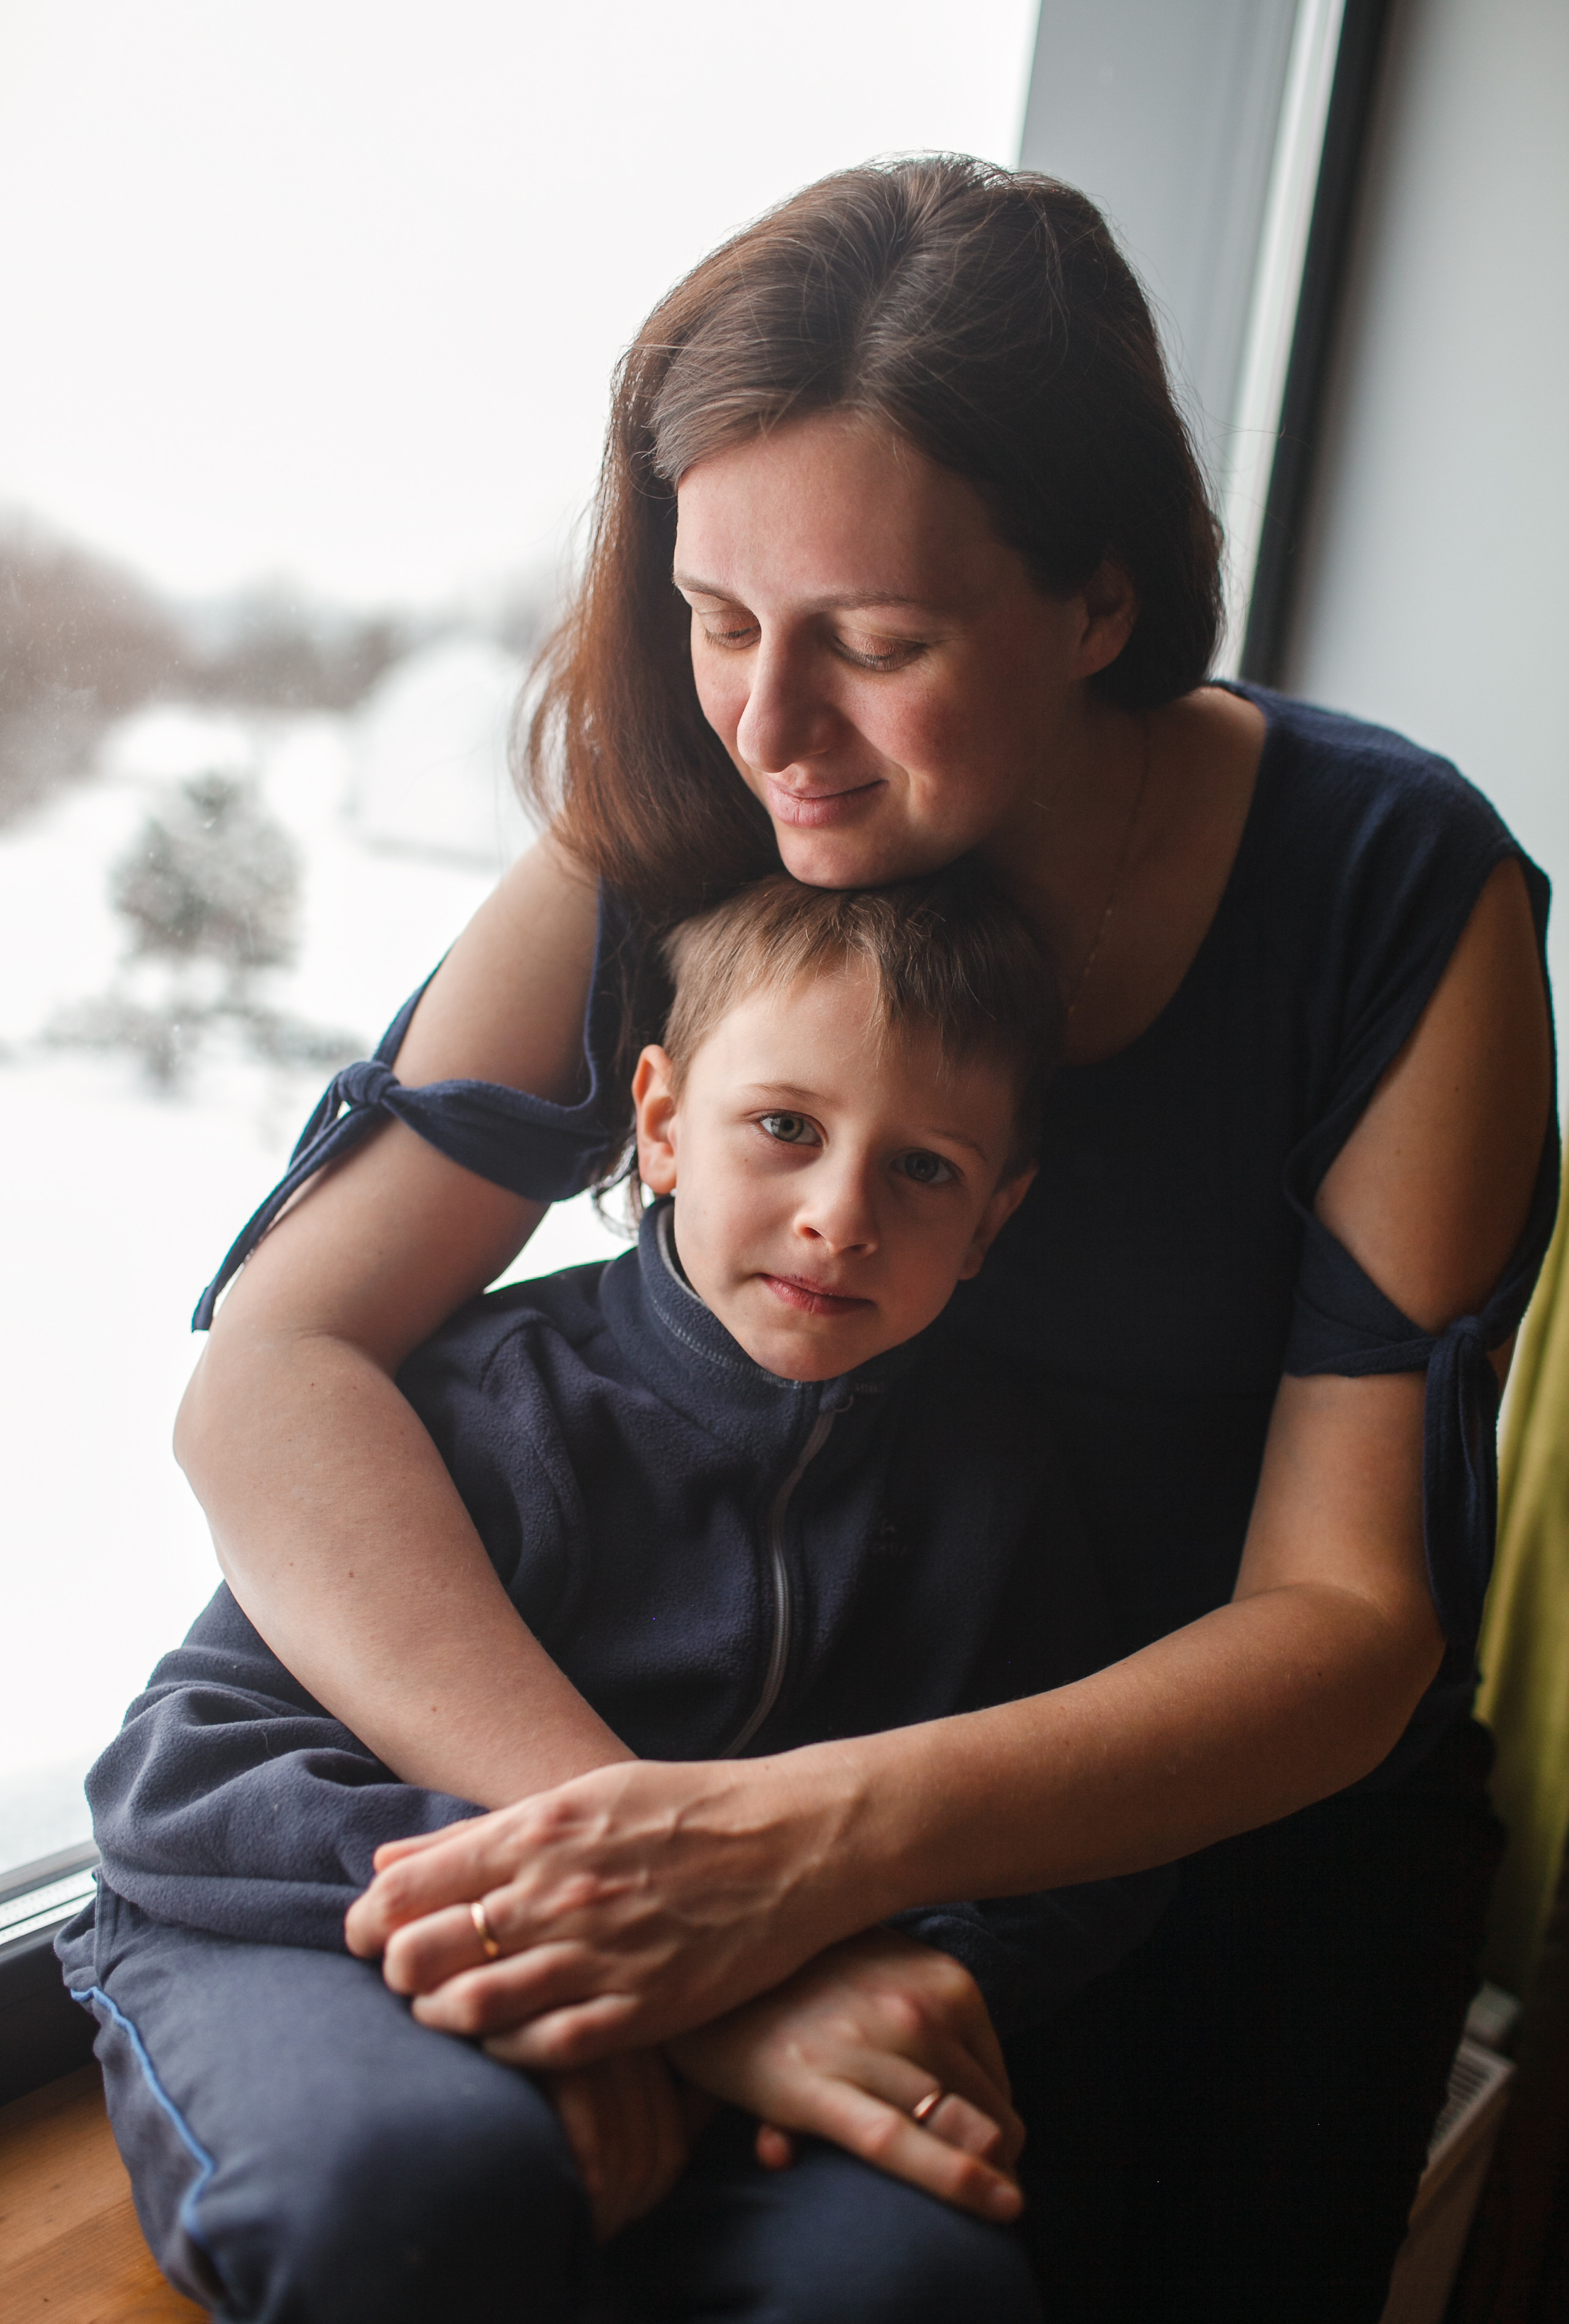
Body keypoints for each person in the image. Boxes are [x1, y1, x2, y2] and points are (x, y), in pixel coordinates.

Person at [152, 157, 1554, 2320]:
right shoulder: (685, 826)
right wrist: (665, 1891)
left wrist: (808, 1862)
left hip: (1227, 1864)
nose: (768, 728)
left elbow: (1350, 1622)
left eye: (874, 645)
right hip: (726, 1802)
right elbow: (278, 1366)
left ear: (1099, 598)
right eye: (718, 620)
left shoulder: (1401, 894)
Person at [63, 868, 1171, 2323]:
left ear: (993, 1216)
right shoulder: (483, 1400)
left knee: (913, 2287)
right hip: (316, 1926)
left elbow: (1063, 1859)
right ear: (658, 1124)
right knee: (411, 2196)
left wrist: (762, 1973)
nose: (838, 1218)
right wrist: (591, 1957)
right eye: (783, 1127)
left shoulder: (995, 1489)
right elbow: (188, 1773)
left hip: (775, 1984)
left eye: (924, 1170)